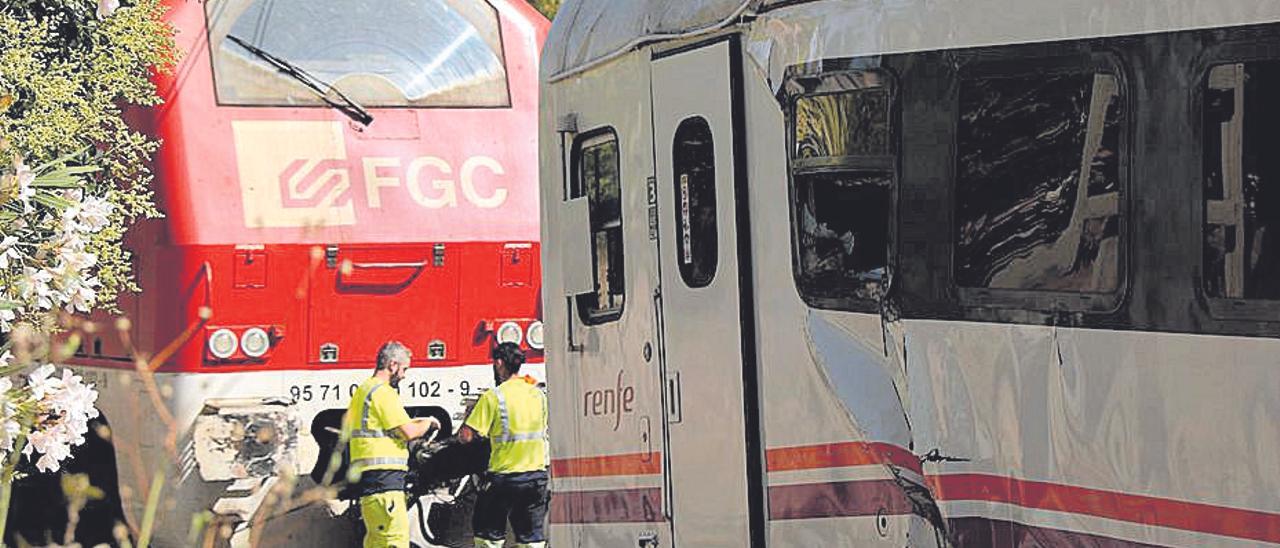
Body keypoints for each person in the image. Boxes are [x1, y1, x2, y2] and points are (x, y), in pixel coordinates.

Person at [343, 341, 440, 548]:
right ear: (393, 365)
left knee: (377, 542)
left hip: (370, 483)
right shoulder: (382, 392)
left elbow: (389, 426)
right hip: (385, 483)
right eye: (404, 369)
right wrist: (430, 423)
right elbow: (408, 431)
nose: (404, 375)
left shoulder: (364, 390)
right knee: (395, 541)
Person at [458, 342, 549, 548]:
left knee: (489, 538)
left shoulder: (494, 397)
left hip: (504, 479)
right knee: (532, 541)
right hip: (536, 477)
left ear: (499, 363)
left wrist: (469, 416)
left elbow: (466, 436)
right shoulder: (538, 395)